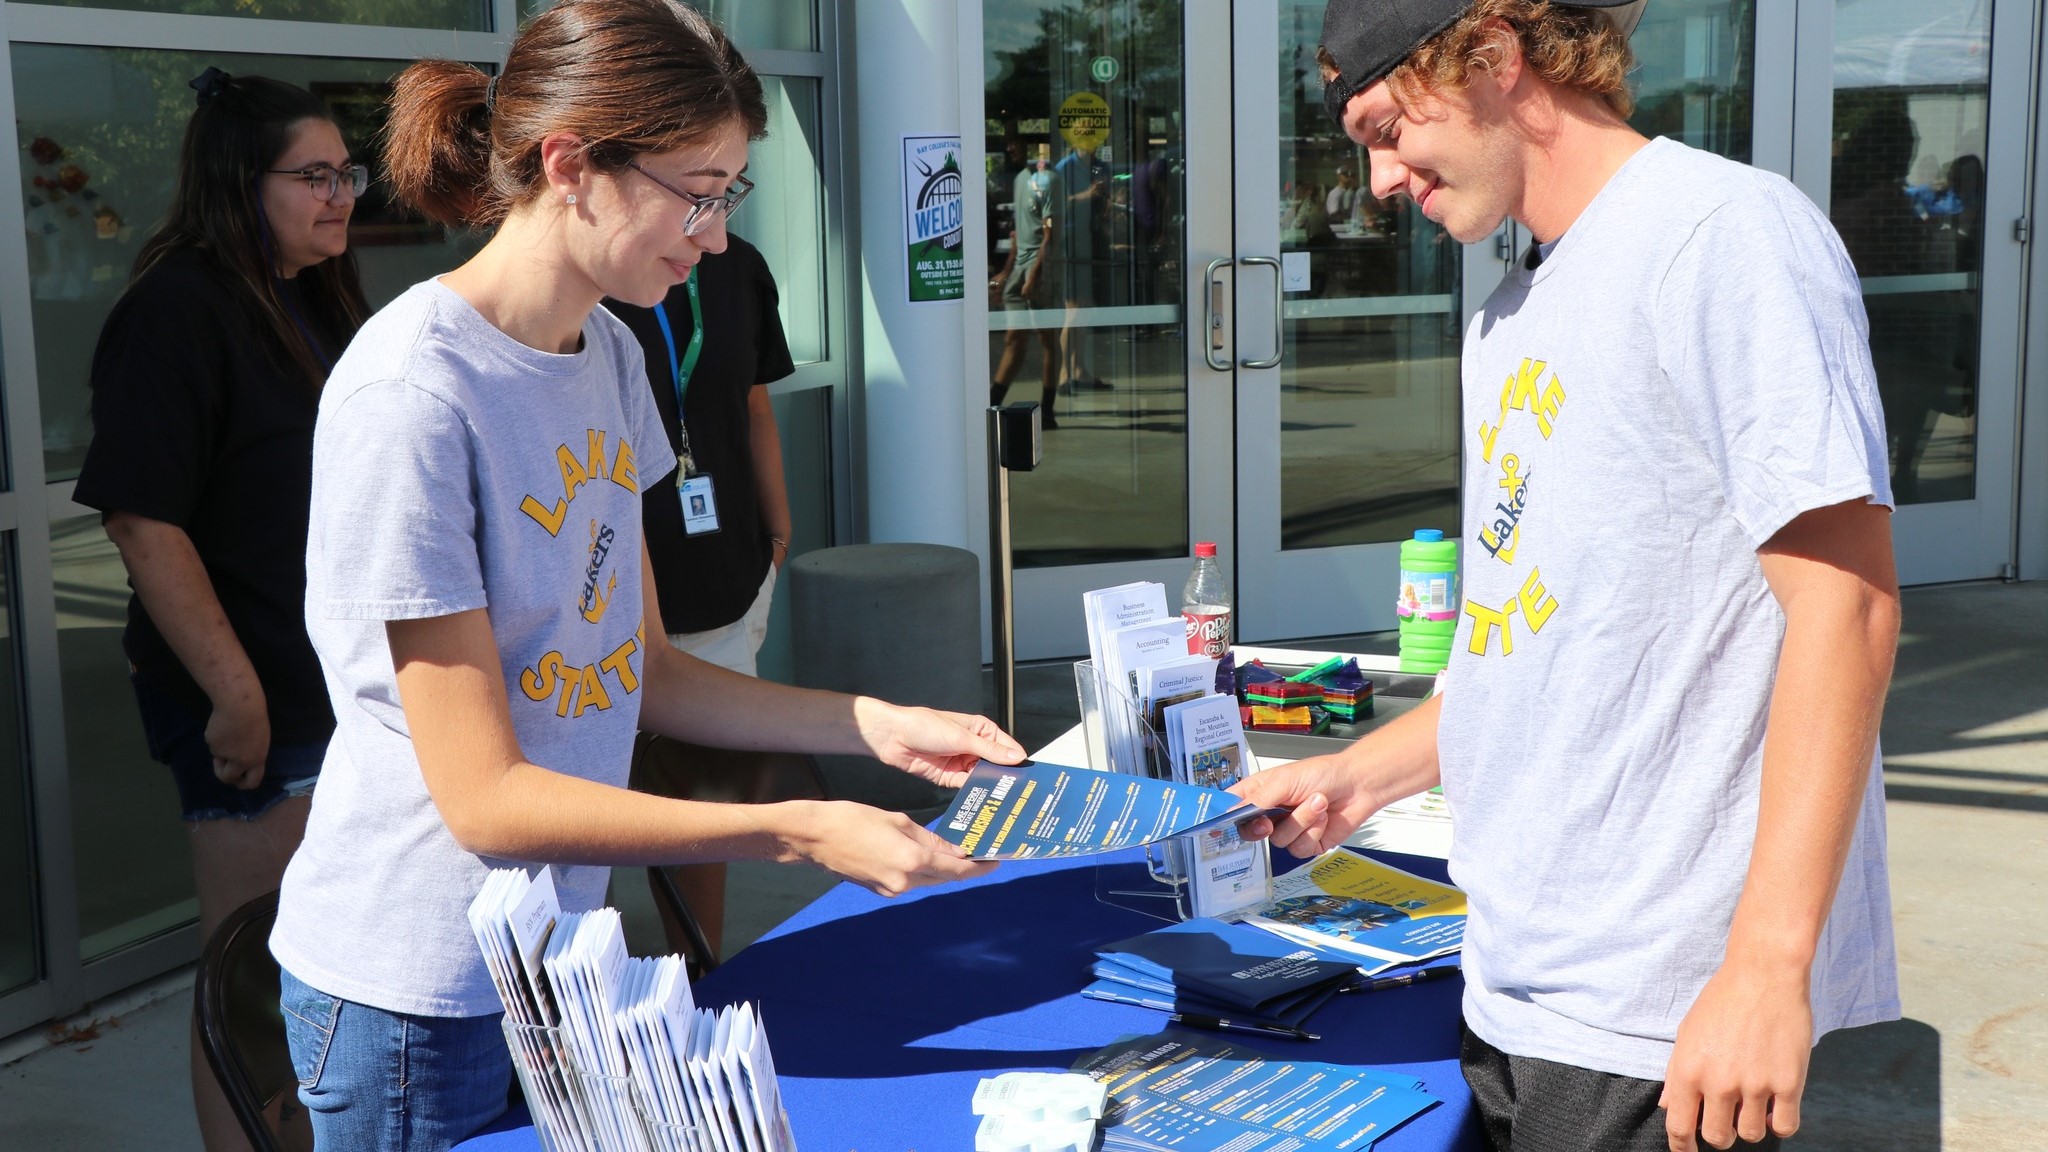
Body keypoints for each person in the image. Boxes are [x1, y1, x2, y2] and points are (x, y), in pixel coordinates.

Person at [268, 3, 1023, 1147]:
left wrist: (864, 721)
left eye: (730, 194)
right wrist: (799, 830)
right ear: (571, 165)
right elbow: (486, 797)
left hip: (555, 963)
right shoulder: (413, 398)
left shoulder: (609, 351)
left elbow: (644, 669)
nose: (714, 236)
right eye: (696, 189)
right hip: (413, 990)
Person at [1239, 3, 1902, 1151]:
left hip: (1659, 1003)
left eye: (1389, 128)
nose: (1381, 179)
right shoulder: (1508, 315)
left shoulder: (1718, 235)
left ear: (1491, 59)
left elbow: (1842, 607)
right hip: (1513, 970)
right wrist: (1358, 776)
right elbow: (1534, 644)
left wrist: (1764, 964)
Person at [70, 69, 368, 1152]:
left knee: (328, 963)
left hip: (336, 690)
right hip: (255, 706)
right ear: (241, 184)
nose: (341, 194)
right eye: (314, 174)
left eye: (347, 171)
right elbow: (144, 521)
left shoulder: (318, 295)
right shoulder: (176, 310)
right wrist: (235, 694)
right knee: (254, 970)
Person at [602, 234, 797, 957]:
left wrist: (778, 534)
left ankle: (696, 976)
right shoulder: (588, 283)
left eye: (725, 191)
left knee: (701, 800)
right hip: (606, 603)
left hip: (724, 583)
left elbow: (753, 404)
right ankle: (591, 1012)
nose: (709, 222)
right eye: (702, 186)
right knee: (595, 813)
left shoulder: (737, 265)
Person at [991, 143, 1063, 424]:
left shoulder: (1050, 181)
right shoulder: (1021, 179)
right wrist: (1007, 272)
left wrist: (1033, 277)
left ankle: (1047, 410)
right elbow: (1018, 233)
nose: (1010, 147)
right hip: (1021, 268)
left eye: (1015, 140)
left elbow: (1050, 236)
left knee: (1047, 340)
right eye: (1007, 141)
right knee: (1014, 339)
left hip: (1041, 270)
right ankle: (992, 403)